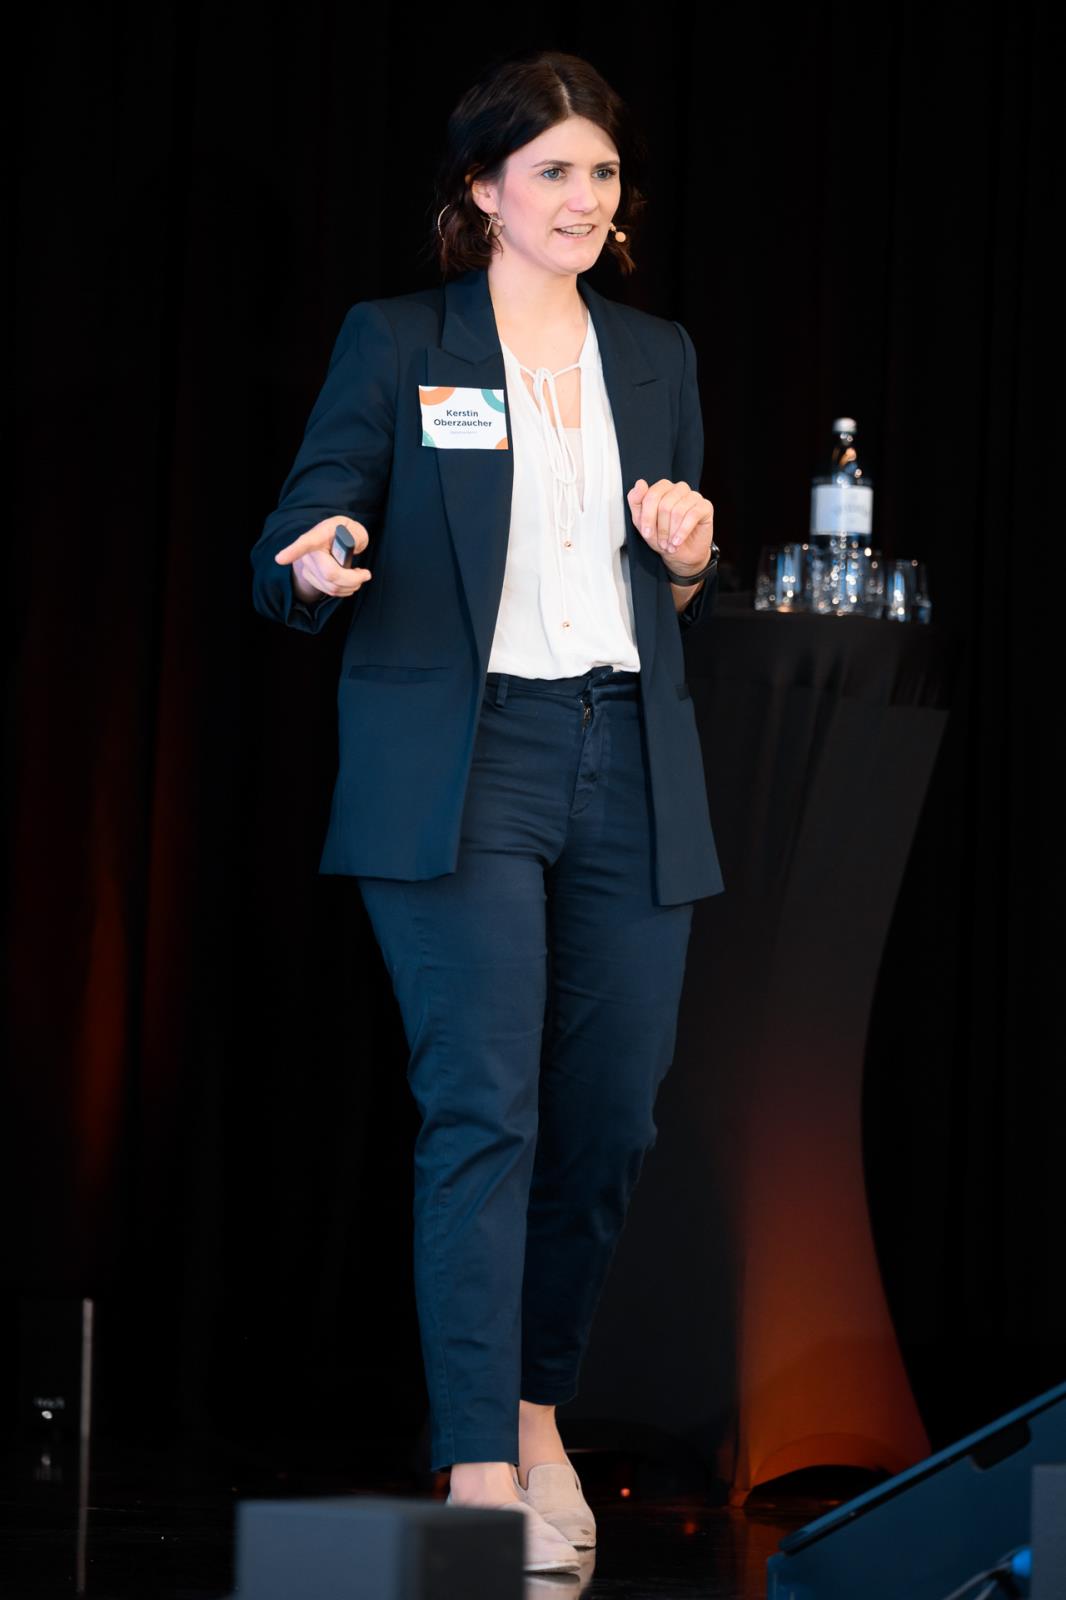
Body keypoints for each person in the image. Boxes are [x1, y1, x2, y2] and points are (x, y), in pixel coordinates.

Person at [249, 47, 724, 1576]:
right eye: (549, 172)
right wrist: (315, 557)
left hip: (623, 756)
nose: (581, 199)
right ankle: (474, 1469)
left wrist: (689, 558)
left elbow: (668, 586)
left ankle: (534, 1415)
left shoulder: (654, 356)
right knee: (485, 1111)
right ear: (481, 189)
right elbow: (302, 523)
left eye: (600, 172)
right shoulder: (402, 341)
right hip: (467, 760)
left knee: (612, 1116)